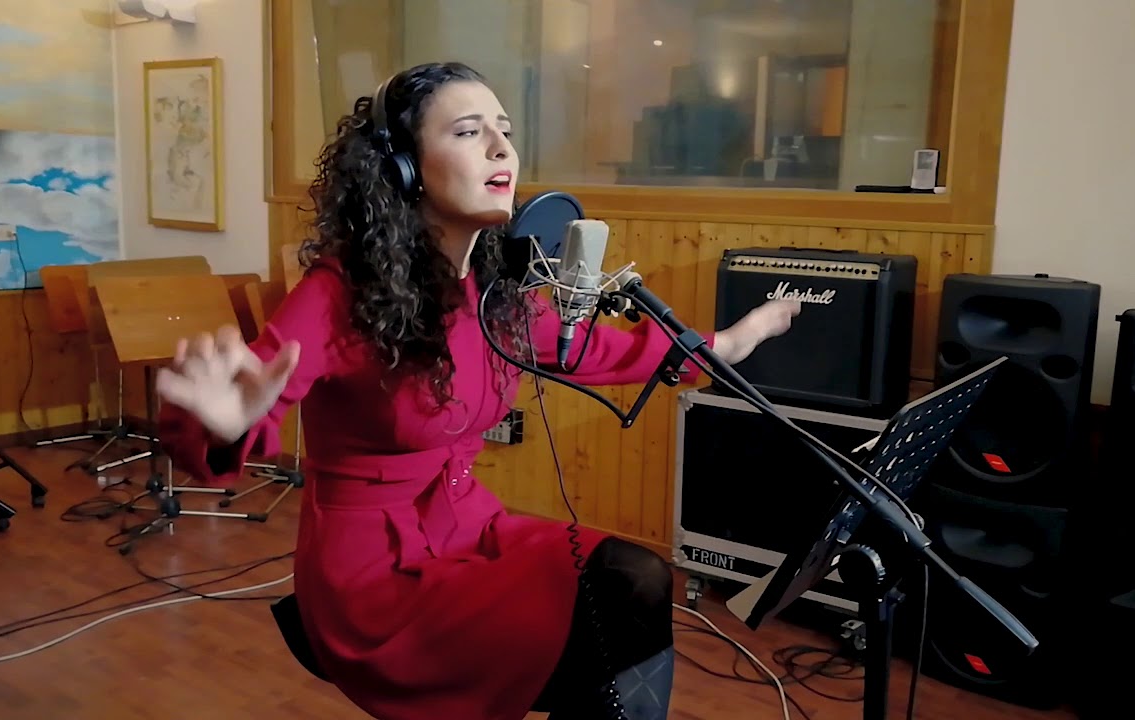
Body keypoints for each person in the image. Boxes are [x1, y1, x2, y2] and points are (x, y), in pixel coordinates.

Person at [155, 61, 800, 720]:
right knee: (611, 618)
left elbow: (598, 349)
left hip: (472, 527)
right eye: (468, 132)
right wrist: (225, 423)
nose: (501, 150)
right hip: (376, 577)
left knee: (632, 581)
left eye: (505, 131)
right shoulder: (340, 293)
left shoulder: (497, 293)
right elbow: (250, 393)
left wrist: (727, 343)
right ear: (404, 168)